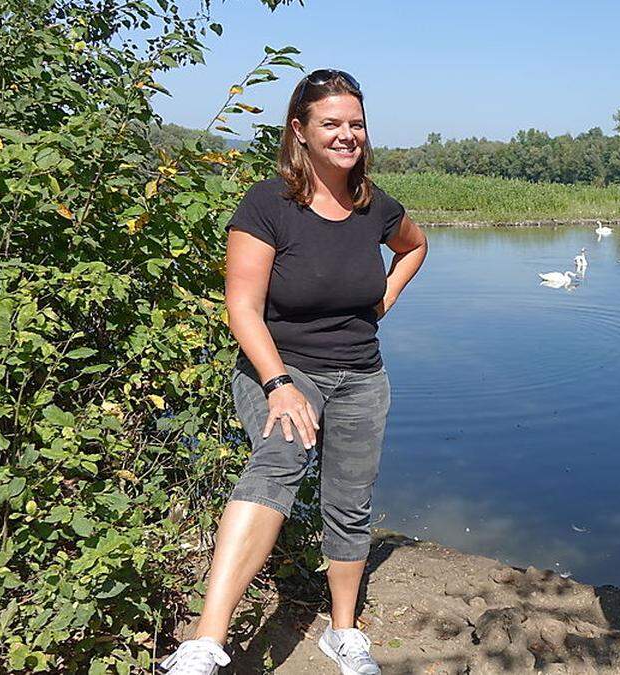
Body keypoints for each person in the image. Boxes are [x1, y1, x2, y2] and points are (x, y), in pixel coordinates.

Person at [160, 69, 428, 675]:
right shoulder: (267, 204)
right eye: (331, 123)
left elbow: (415, 246)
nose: (346, 134)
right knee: (278, 463)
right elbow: (242, 307)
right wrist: (278, 384)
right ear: (299, 131)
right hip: (284, 367)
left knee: (349, 501)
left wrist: (382, 299)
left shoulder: (374, 205)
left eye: (355, 123)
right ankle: (205, 643)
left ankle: (342, 633)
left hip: (361, 374)